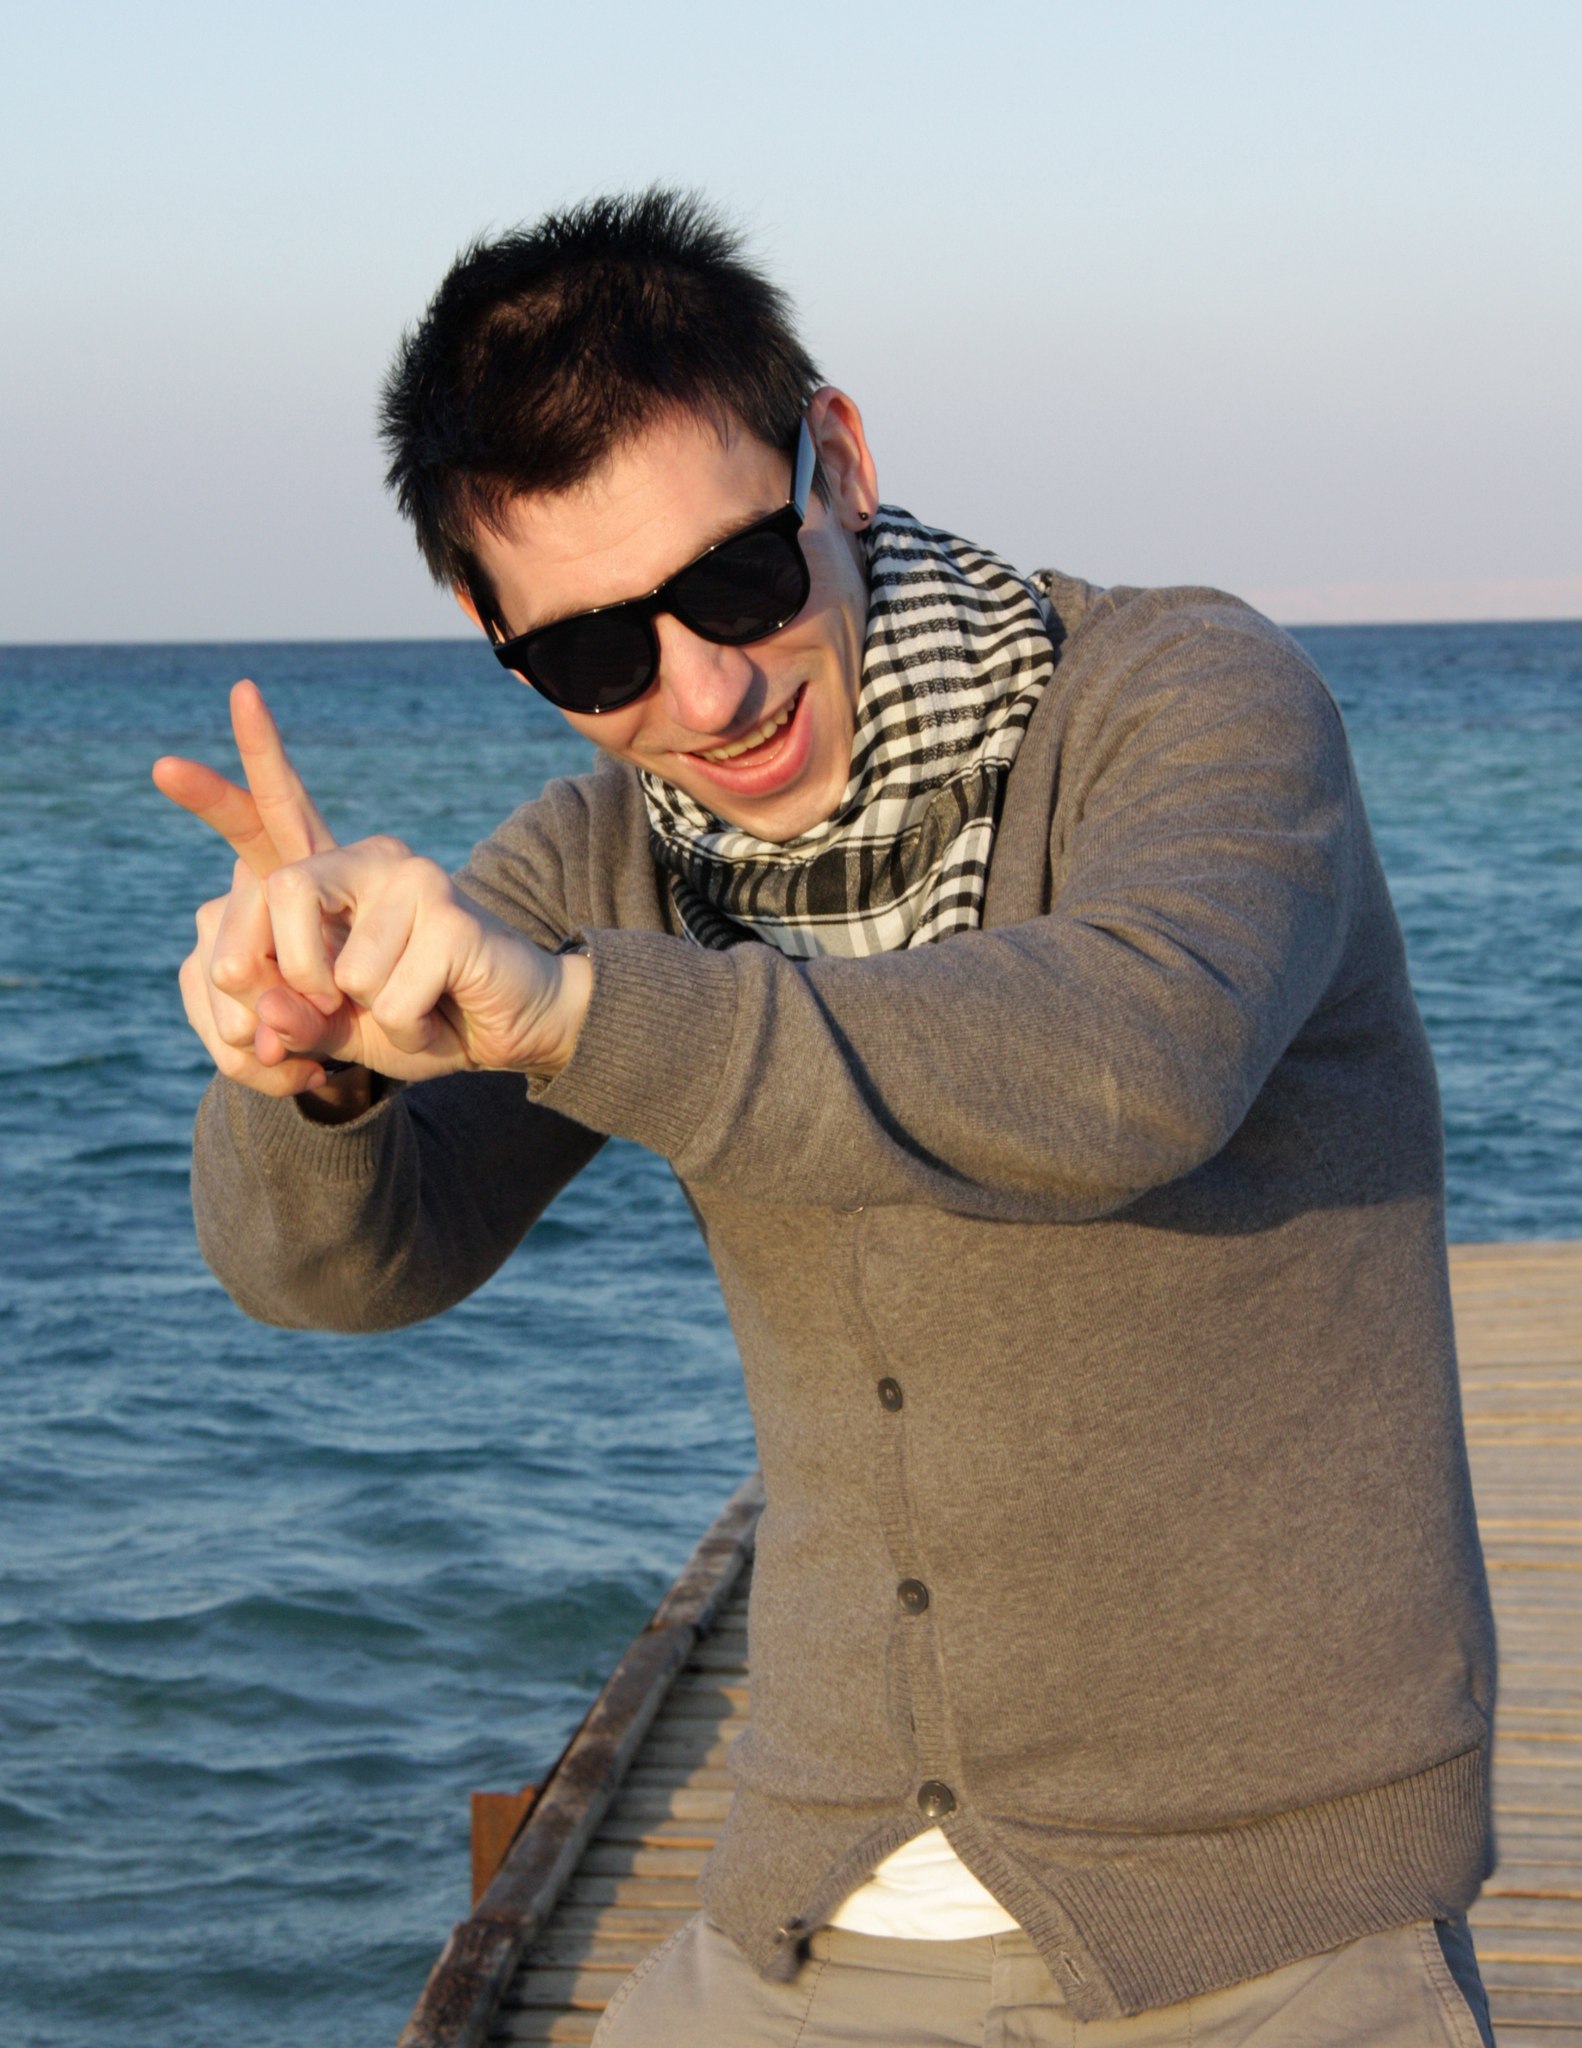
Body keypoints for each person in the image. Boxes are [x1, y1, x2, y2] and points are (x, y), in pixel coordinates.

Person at [155, 189, 1498, 2046]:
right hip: (815, 1898)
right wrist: (309, 1072)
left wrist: (580, 1014)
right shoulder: (608, 859)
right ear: (489, 632)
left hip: (1264, 1913)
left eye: (734, 582)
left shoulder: (1184, 695)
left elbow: (1131, 1060)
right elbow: (342, 1271)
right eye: (593, 656)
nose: (705, 691)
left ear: (838, 462)